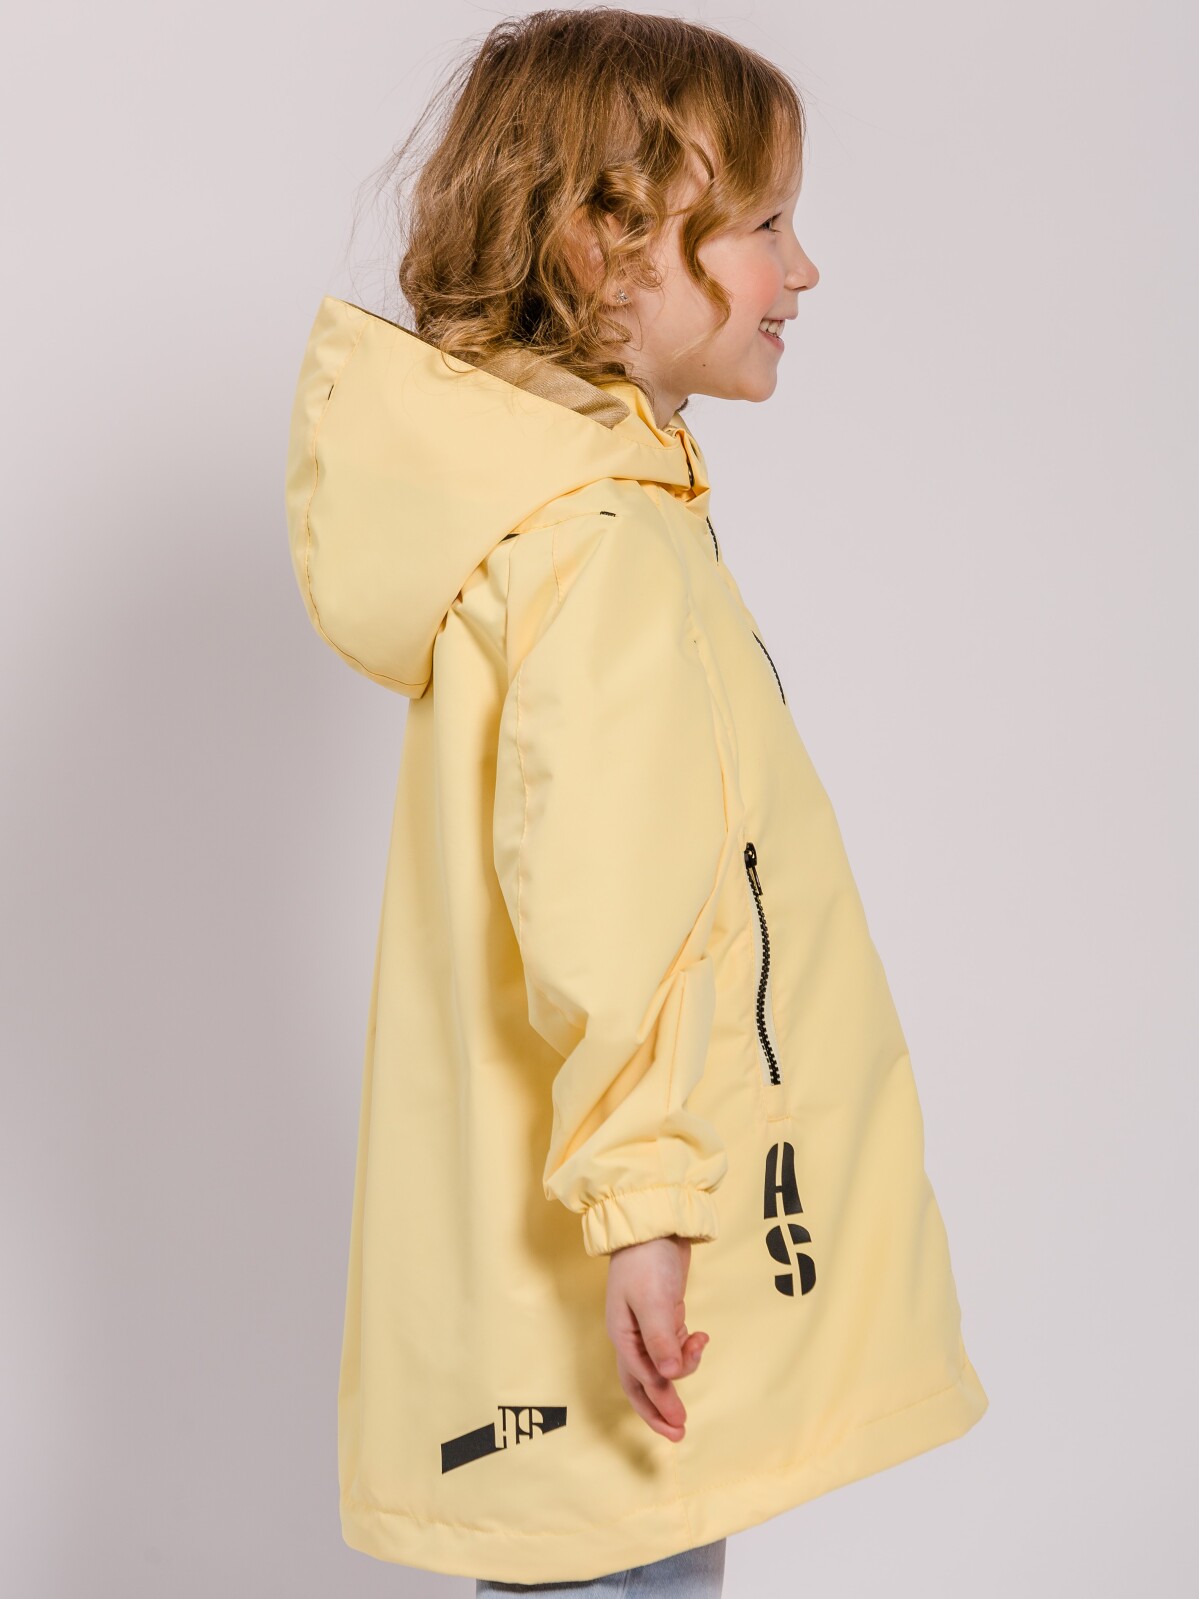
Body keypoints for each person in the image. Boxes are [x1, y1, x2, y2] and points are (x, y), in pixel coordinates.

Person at [282, 8, 988, 1594]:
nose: (803, 270)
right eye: (763, 225)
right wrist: (651, 1208)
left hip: (576, 1240)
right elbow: (607, 899)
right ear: (606, 247)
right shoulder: (595, 539)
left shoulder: (562, 517)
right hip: (621, 1264)